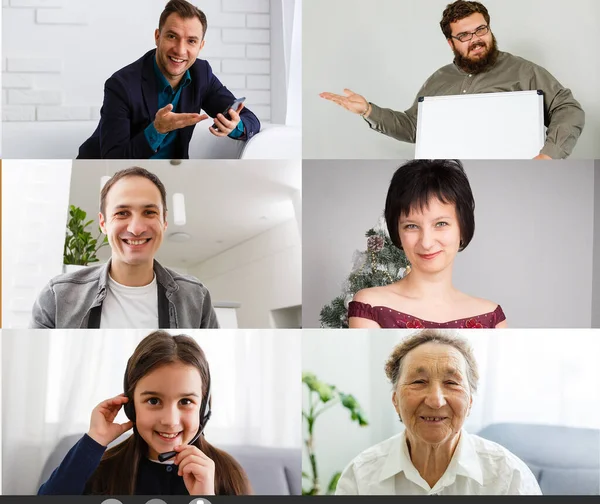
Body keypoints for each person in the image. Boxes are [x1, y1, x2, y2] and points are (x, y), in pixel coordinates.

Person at [320, 0, 584, 160]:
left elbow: (568, 109)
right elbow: (413, 128)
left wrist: (549, 155)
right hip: (449, 178)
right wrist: (368, 110)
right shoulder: (438, 80)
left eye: (481, 30)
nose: (476, 40)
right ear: (451, 42)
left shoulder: (523, 71)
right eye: (465, 35)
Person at [38, 331, 251, 495]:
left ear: (204, 408)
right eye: (153, 400)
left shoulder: (227, 473)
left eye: (186, 401)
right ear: (130, 406)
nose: (170, 421)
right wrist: (94, 441)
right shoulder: (102, 469)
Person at [335, 330, 542, 495]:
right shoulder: (360, 477)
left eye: (451, 383)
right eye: (418, 382)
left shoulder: (510, 478)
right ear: (395, 400)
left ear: (469, 402)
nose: (435, 401)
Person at [30, 166, 219, 329]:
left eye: (149, 212)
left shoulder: (196, 297)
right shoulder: (57, 296)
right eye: (122, 213)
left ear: (164, 221)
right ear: (103, 223)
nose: (136, 229)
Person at [77, 0, 260, 159]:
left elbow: (250, 120)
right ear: (158, 37)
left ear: (201, 46)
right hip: (106, 179)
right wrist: (156, 129)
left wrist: (234, 125)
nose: (180, 50)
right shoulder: (121, 85)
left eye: (191, 41)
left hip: (168, 181)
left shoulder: (201, 74)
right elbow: (112, 160)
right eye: (172, 36)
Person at [348, 159, 505, 329]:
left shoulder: (491, 317)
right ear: (397, 233)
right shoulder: (370, 307)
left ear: (463, 226)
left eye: (441, 224)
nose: (427, 242)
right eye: (411, 226)